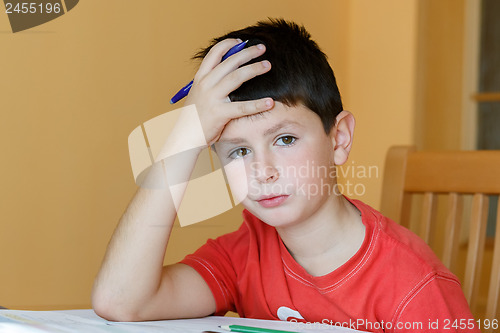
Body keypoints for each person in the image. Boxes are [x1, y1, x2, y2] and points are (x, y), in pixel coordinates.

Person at [92, 19, 479, 332]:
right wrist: (184, 138)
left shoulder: (415, 288)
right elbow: (120, 301)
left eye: (286, 139)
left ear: (339, 138)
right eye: (239, 151)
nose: (263, 171)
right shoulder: (244, 256)